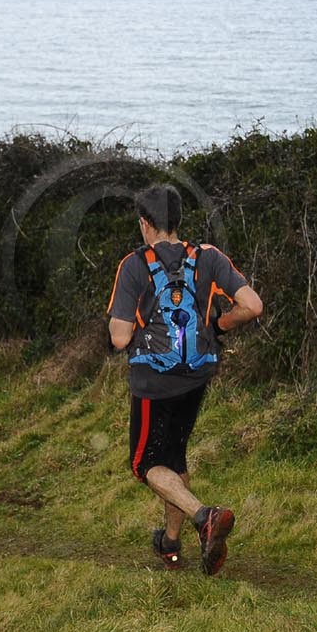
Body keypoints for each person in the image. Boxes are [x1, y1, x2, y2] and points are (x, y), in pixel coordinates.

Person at [106, 184, 264, 575]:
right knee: (174, 458)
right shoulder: (208, 256)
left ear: (144, 224)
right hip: (196, 377)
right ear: (177, 220)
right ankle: (171, 545)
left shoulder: (134, 265)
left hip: (153, 383)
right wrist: (220, 325)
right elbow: (252, 305)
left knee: (146, 464)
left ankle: (204, 516)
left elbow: (120, 338)